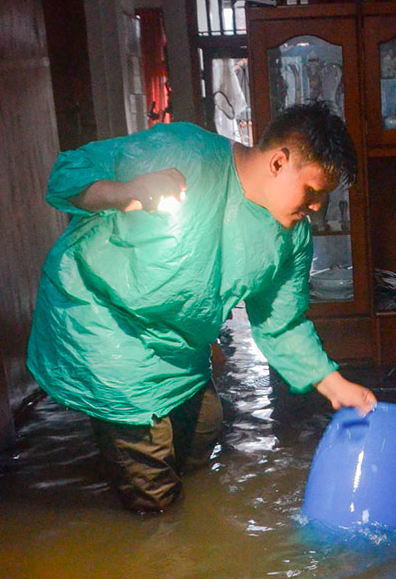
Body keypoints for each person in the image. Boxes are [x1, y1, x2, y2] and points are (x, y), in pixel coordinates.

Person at [27, 103, 376, 512]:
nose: (317, 207)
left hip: (179, 341)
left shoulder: (291, 236)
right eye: (313, 191)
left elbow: (282, 324)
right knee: (154, 489)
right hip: (106, 320)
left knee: (204, 434)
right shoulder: (183, 151)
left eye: (325, 197)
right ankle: (156, 542)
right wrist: (125, 193)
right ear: (279, 162)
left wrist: (335, 386)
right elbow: (68, 173)